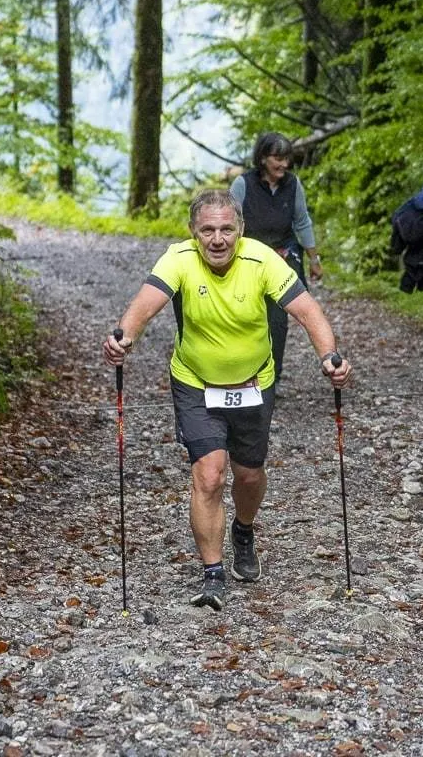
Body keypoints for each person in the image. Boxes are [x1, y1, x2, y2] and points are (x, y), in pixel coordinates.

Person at [102, 188, 351, 612]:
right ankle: (213, 573)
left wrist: (330, 357)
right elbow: (145, 305)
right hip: (195, 382)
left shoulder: (262, 260)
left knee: (249, 475)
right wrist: (123, 338)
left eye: (226, 230)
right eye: (207, 230)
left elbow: (308, 312)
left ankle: (244, 529)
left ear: (240, 230)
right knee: (210, 474)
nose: (217, 239)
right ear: (193, 233)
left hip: (254, 382)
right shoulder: (179, 259)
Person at [229, 133, 322, 392]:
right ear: (262, 158)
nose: (284, 165)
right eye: (277, 159)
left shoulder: (293, 185)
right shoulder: (243, 184)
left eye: (286, 159)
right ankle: (242, 371)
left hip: (283, 257)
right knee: (246, 316)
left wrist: (314, 259)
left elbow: (302, 222)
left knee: (278, 320)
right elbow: (230, 222)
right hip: (249, 259)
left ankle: (272, 378)